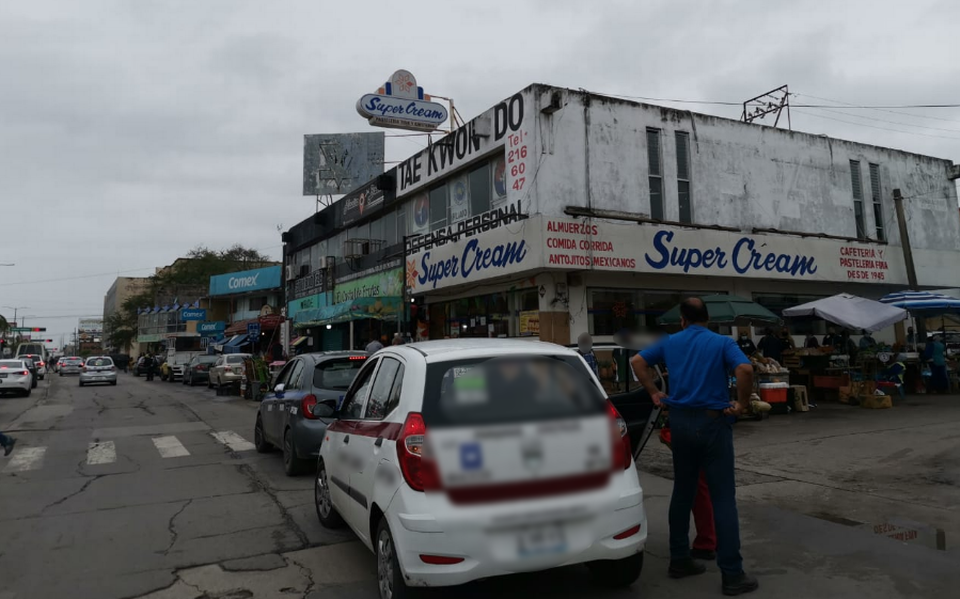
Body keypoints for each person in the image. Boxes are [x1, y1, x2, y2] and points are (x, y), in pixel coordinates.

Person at [631, 298, 758, 595]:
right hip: (713, 424)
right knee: (723, 498)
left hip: (680, 424)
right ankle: (732, 573)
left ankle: (679, 559)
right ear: (707, 318)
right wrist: (740, 404)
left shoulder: (670, 341)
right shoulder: (721, 342)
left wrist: (654, 392)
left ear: (683, 320)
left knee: (683, 491)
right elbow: (746, 370)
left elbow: (637, 361)